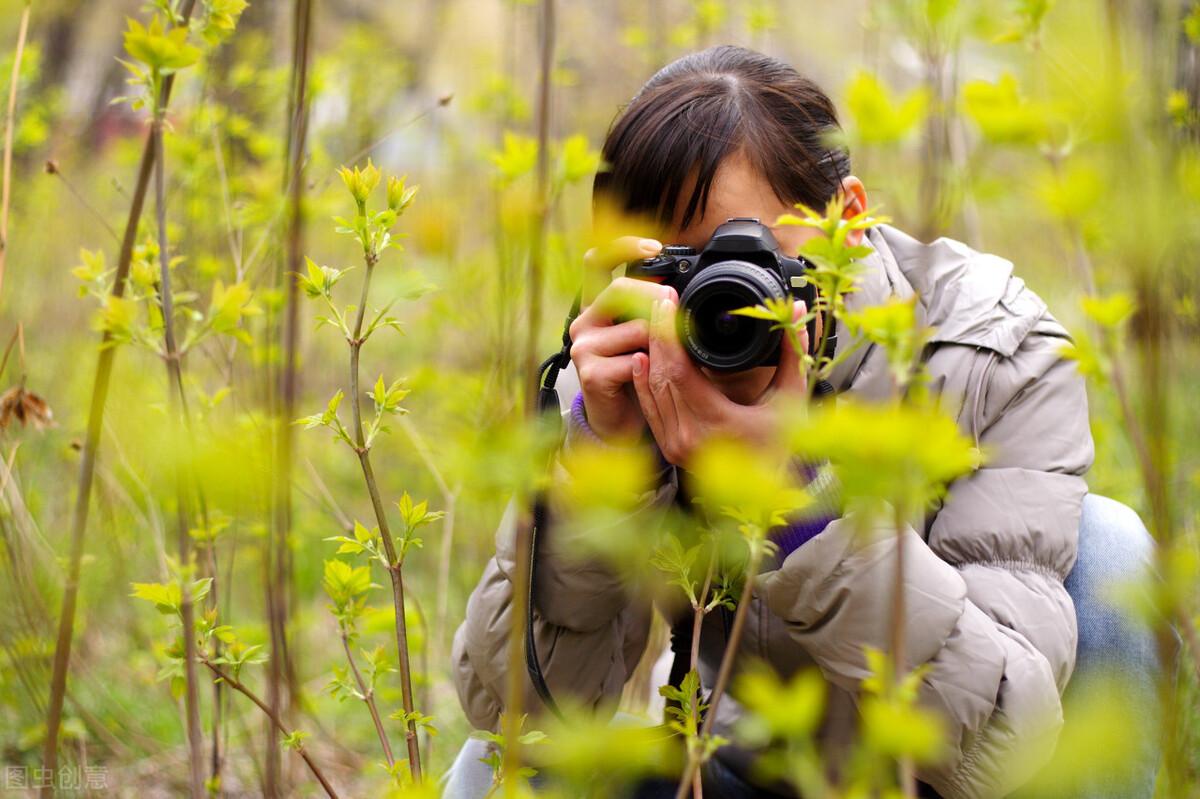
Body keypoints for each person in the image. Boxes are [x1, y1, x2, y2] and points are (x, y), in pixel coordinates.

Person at [447, 46, 1159, 799]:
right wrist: (600, 464)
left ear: (846, 219)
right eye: (677, 274)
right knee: (491, 770)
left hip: (933, 781)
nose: (714, 312)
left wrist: (799, 500)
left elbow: (1004, 742)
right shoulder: (635, 368)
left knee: (1112, 548)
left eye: (742, 261)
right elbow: (520, 716)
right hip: (736, 768)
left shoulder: (987, 356)